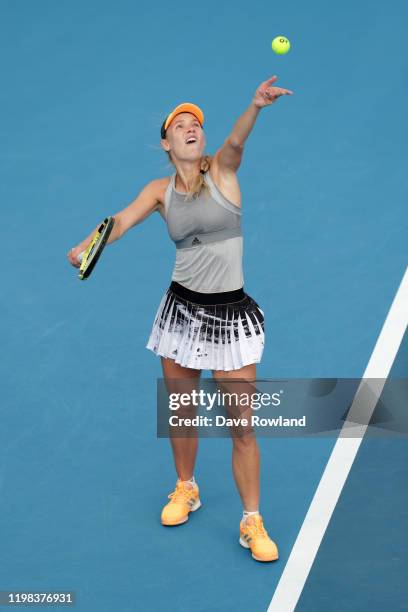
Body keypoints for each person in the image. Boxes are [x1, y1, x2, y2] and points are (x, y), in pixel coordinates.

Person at [67, 76, 293, 562]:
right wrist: (88, 245)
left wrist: (255, 106)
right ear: (167, 144)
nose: (192, 129)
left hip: (229, 317)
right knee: (182, 409)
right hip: (182, 312)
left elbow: (235, 141)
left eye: (197, 125)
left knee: (242, 427)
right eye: (181, 126)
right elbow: (121, 221)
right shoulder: (158, 190)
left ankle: (252, 520)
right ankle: (186, 487)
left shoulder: (225, 173)